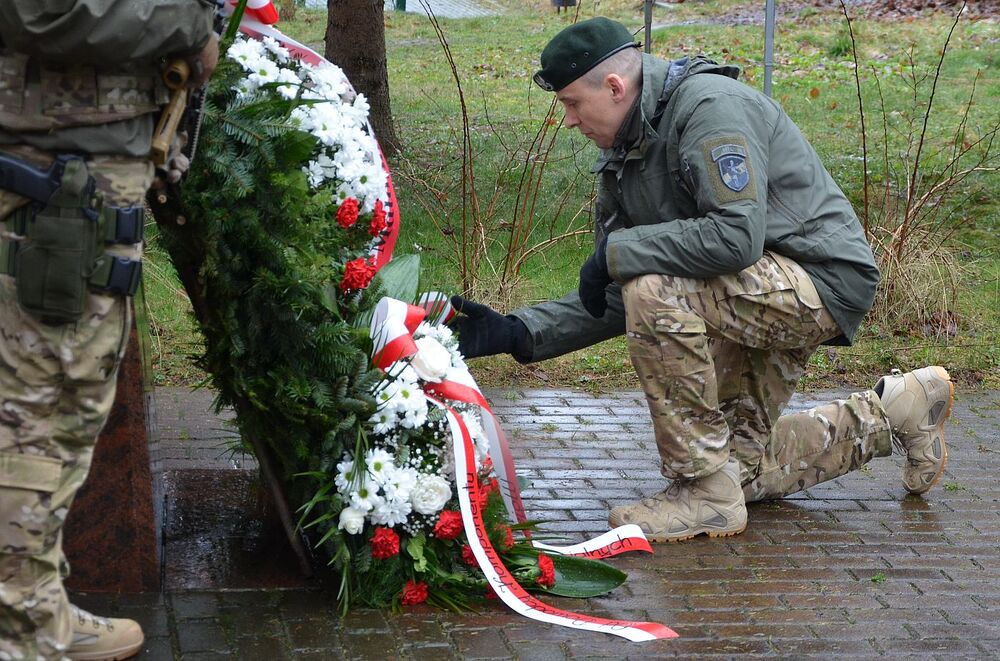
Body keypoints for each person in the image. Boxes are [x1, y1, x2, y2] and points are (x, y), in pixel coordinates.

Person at [451, 17, 953, 544]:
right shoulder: (623, 158)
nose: (570, 121)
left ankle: (703, 496)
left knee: (653, 291)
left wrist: (619, 253)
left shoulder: (710, 109)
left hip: (817, 280)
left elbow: (734, 240)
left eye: (573, 104)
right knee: (740, 470)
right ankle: (898, 407)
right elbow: (625, 287)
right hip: (743, 292)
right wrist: (518, 332)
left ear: (616, 87)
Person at [0, 2, 218, 659]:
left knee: (65, 401)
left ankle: (36, 604)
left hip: (80, 167)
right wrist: (189, 25)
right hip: (58, 171)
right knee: (37, 404)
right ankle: (22, 627)